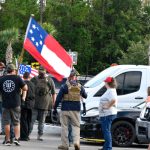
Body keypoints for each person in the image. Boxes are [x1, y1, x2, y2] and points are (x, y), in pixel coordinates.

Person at [53, 69, 87, 150]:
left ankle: (65, 145)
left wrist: (54, 108)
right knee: (76, 126)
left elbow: (58, 99)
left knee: (64, 127)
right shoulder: (80, 86)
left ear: (68, 77)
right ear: (75, 77)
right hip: (76, 110)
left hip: (65, 109)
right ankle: (76, 142)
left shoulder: (64, 87)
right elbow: (85, 96)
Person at [0, 64, 27, 146]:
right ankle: (17, 139)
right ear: (13, 70)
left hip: (5, 104)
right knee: (16, 122)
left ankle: (8, 140)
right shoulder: (17, 78)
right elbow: (25, 88)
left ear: (7, 70)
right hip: (16, 103)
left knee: (6, 123)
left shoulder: (1, 79)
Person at [30, 65, 56, 141]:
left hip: (45, 104)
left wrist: (54, 102)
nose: (41, 73)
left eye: (42, 72)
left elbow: (54, 92)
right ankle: (28, 133)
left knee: (41, 121)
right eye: (40, 71)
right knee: (32, 120)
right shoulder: (34, 79)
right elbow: (29, 88)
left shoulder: (49, 80)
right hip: (35, 103)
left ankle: (39, 135)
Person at [99, 76, 118, 150]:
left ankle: (108, 148)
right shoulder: (110, 90)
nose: (104, 82)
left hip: (107, 114)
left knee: (106, 131)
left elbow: (113, 100)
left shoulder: (111, 91)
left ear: (108, 82)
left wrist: (107, 106)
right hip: (107, 114)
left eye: (105, 81)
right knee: (107, 131)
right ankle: (106, 147)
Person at [20, 72, 35, 141]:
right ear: (29, 77)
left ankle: (24, 136)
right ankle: (28, 134)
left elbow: (21, 94)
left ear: (23, 77)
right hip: (31, 104)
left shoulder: (22, 84)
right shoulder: (33, 84)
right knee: (29, 120)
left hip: (24, 103)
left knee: (23, 120)